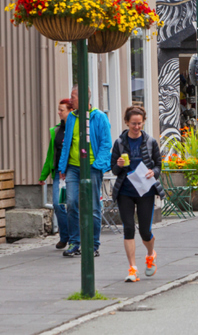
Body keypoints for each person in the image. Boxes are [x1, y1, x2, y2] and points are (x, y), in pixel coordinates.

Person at [110, 106, 166, 282]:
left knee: (144, 231)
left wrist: (153, 172)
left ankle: (150, 254)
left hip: (145, 191)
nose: (136, 127)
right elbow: (113, 170)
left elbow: (158, 165)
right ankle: (132, 268)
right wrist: (119, 164)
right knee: (128, 228)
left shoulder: (150, 142)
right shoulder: (119, 143)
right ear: (127, 122)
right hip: (125, 191)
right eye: (133, 124)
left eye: (139, 124)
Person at [58, 86, 112, 258]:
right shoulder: (72, 118)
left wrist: (98, 165)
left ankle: (93, 244)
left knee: (94, 207)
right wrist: (62, 166)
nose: (70, 99)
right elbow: (67, 143)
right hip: (73, 167)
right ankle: (75, 242)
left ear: (82, 98)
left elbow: (106, 144)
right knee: (72, 203)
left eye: (73, 96)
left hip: (92, 167)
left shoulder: (99, 117)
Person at [39, 98, 72, 250]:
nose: (58, 112)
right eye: (59, 110)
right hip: (60, 173)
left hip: (74, 171)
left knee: (73, 205)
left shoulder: (77, 128)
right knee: (58, 205)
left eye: (61, 110)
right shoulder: (57, 130)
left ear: (70, 111)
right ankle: (65, 236)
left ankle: (75, 238)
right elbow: (50, 155)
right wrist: (43, 175)